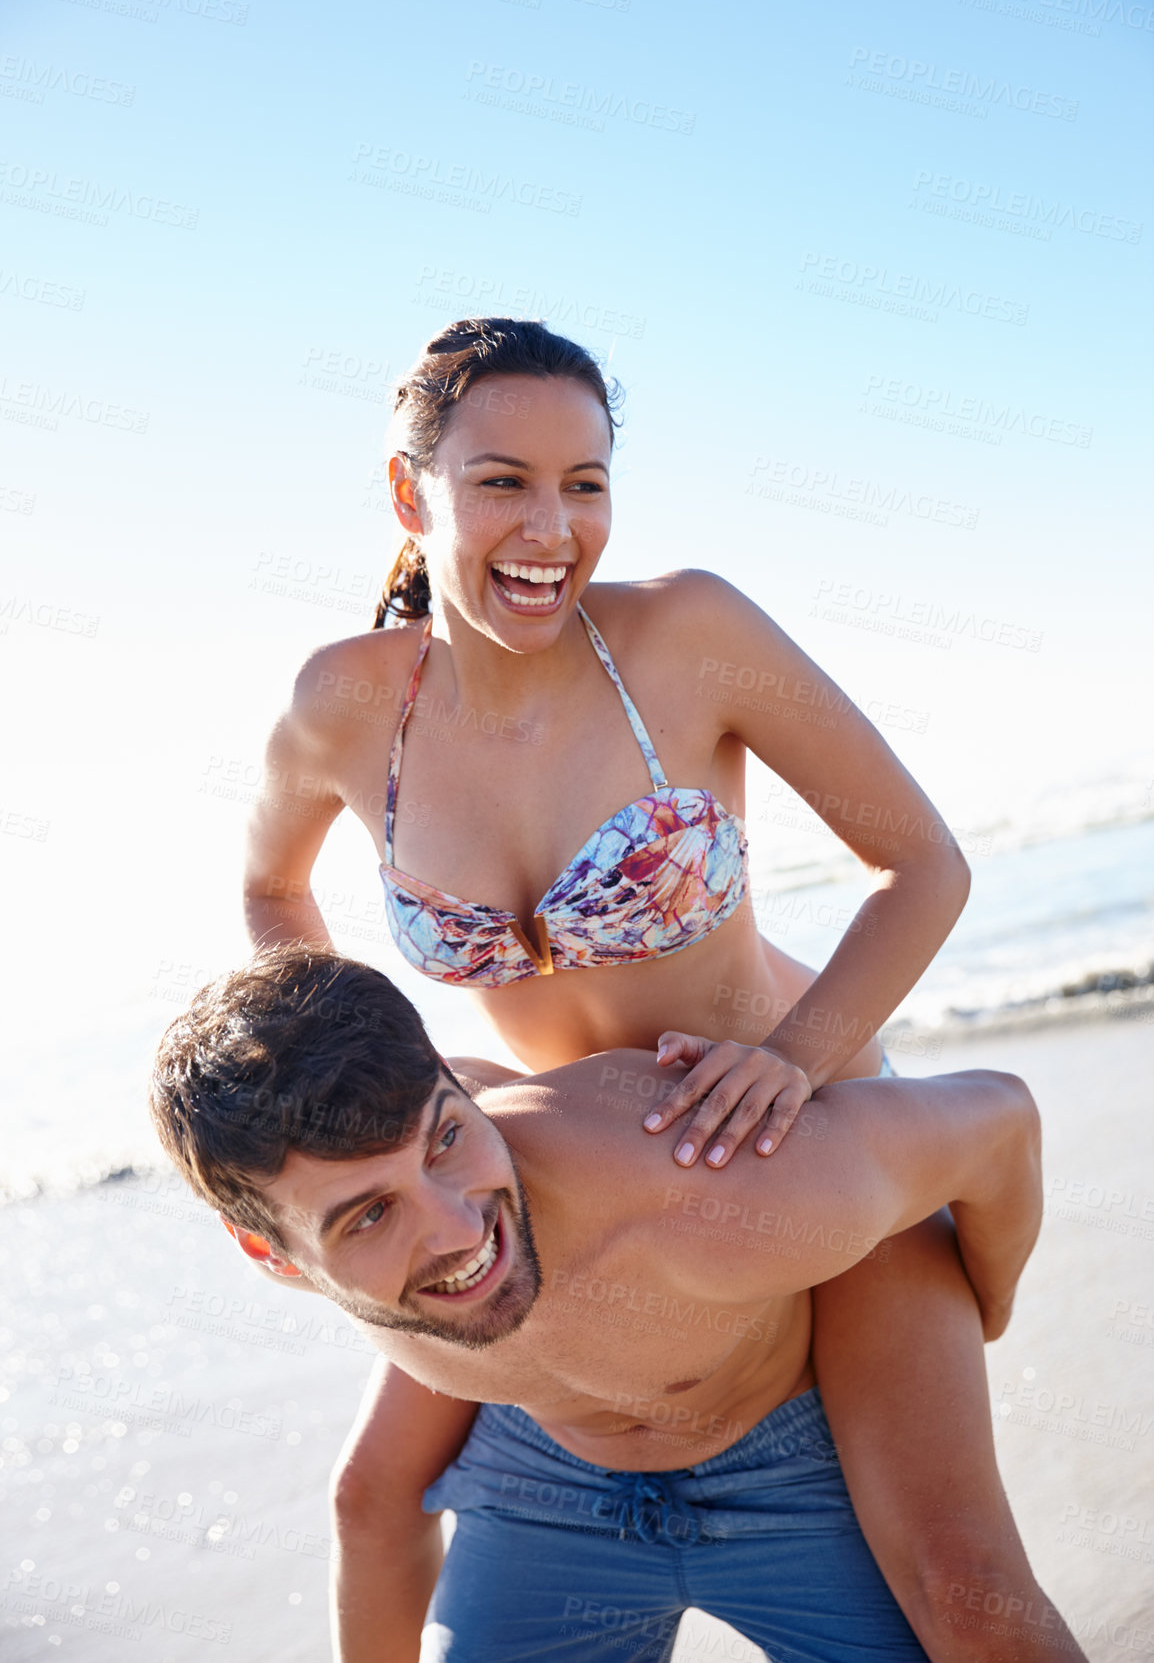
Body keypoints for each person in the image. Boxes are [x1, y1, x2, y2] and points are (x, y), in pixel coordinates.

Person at [241, 318, 1035, 1658]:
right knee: (371, 1501)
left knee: (967, 1597)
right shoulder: (346, 705)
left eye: (585, 482)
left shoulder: (683, 635)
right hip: (555, 1184)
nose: (552, 526)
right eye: (502, 481)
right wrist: (386, 1084)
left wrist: (791, 1056)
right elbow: (274, 893)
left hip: (797, 1135)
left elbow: (922, 866)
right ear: (408, 491)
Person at [150, 947, 1083, 1663]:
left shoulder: (703, 1182)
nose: (455, 1229)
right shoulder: (334, 1200)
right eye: (371, 1214)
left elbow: (1000, 1120)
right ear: (272, 1256)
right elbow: (373, 1505)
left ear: (456, 1084)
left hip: (791, 1449)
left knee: (977, 1613)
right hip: (542, 1470)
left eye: (444, 1140)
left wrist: (986, 1303)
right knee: (364, 1497)